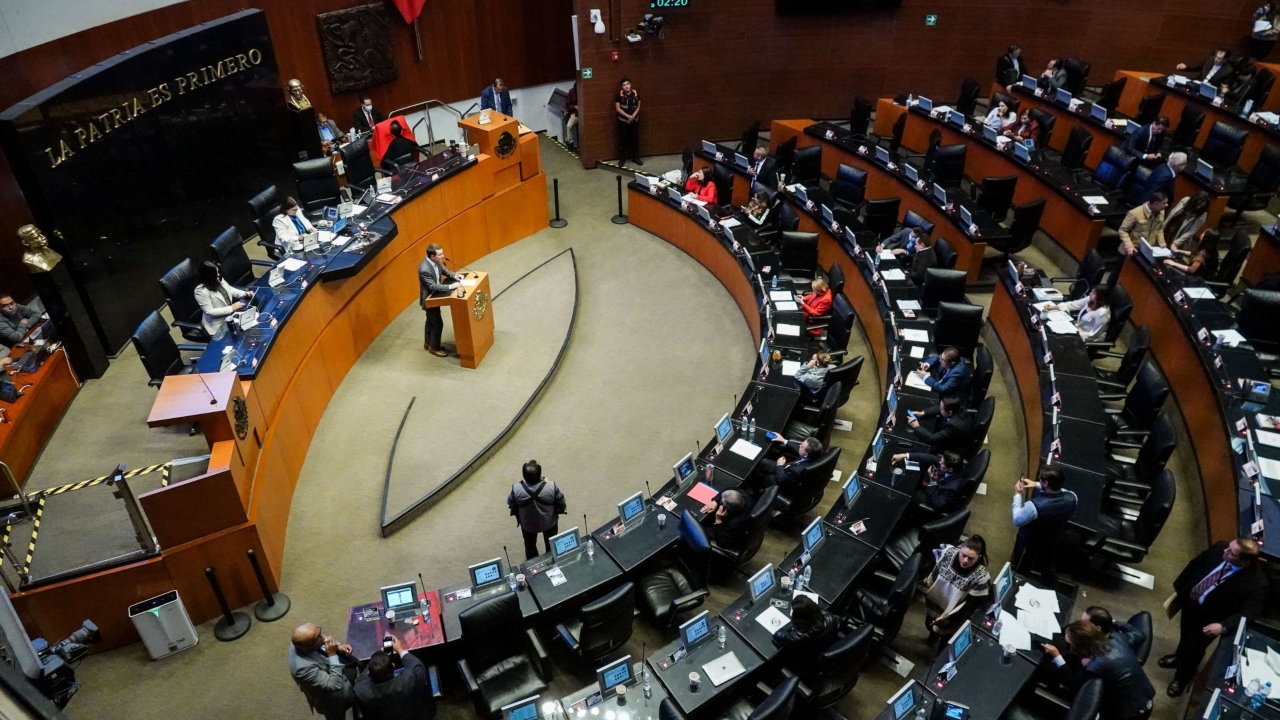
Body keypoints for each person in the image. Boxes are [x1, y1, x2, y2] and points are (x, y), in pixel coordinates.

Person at [1161, 538, 1269, 697]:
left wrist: (1223, 625)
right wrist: (1180, 588)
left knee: (1195, 649)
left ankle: (1182, 678)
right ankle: (1178, 657)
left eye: (1231, 553)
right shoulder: (1221, 548)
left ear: (1244, 562)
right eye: (1229, 548)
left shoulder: (1256, 584)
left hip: (1210, 620)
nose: (1225, 551)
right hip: (1191, 604)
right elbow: (1195, 564)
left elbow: (1248, 614)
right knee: (1185, 634)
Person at [1043, 621, 1156, 720]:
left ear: (1079, 646)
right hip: (1147, 699)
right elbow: (1139, 634)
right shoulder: (1117, 638)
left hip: (1129, 714)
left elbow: (1072, 683)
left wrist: (1057, 656)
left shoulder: (1095, 667)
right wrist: (1112, 621)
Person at [1011, 467, 1078, 583]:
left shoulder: (1034, 506)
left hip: (1028, 543)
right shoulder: (1072, 498)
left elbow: (1017, 519)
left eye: (1041, 480)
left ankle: (1018, 585)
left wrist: (1017, 495)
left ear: (1046, 483)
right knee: (1047, 569)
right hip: (1051, 540)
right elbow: (1064, 491)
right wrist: (1037, 484)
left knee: (1020, 569)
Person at [922, 535, 991, 642]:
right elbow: (935, 566)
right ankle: (931, 639)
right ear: (959, 550)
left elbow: (970, 604)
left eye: (971, 558)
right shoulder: (948, 553)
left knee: (946, 638)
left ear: (979, 557)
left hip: (954, 614)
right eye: (963, 555)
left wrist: (950, 618)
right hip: (936, 603)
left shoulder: (981, 577)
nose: (965, 560)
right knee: (930, 626)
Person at [354, 638, 434, 720]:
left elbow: (363, 678)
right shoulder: (408, 680)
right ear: (393, 665)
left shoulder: (361, 691)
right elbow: (419, 667)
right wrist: (400, 650)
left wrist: (376, 661)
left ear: (369, 673)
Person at [288, 623, 356, 720]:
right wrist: (332, 654)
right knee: (337, 715)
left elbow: (321, 639)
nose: (323, 638)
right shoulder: (302, 670)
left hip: (333, 667)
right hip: (332, 697)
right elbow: (334, 684)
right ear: (305, 647)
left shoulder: (307, 639)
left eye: (319, 632)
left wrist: (338, 646)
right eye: (318, 637)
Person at [507, 459, 567, 559]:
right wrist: (547, 483)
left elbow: (510, 502)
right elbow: (562, 501)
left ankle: (532, 565)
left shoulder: (516, 489)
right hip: (549, 523)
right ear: (540, 475)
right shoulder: (551, 486)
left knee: (530, 547)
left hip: (528, 525)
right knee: (551, 546)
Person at [771, 595, 842, 677]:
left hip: (806, 663)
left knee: (777, 658)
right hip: (823, 651)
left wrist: (793, 623)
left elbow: (777, 635)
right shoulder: (831, 618)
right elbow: (839, 621)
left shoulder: (800, 635)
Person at [892, 449, 968, 515]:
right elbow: (928, 458)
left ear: (950, 469)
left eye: (942, 463)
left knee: (911, 494)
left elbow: (937, 504)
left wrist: (932, 482)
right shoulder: (952, 467)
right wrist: (904, 455)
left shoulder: (952, 488)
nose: (940, 462)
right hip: (936, 485)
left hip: (934, 500)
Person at [193, 261, 252, 341]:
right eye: (215, 273)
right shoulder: (200, 291)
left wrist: (243, 293)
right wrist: (231, 308)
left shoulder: (217, 279)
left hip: (231, 316)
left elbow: (229, 289)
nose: (218, 275)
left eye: (217, 272)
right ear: (208, 276)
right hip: (218, 326)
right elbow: (209, 311)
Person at [418, 243, 459, 357]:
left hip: (436, 296)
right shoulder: (424, 269)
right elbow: (433, 286)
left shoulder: (435, 262)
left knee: (430, 320)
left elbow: (444, 271)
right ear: (432, 256)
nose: (442, 256)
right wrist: (451, 286)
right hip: (429, 299)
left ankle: (428, 342)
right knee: (437, 324)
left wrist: (455, 276)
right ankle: (434, 348)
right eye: (440, 254)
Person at [906, 395, 976, 454]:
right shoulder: (958, 407)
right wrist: (922, 413)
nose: (940, 409)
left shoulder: (953, 426)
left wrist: (917, 427)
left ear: (950, 413)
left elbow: (932, 439)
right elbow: (940, 408)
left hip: (950, 449)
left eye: (942, 409)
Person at [1117, 192, 1168, 257]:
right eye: (1164, 203)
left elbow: (1159, 229)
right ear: (1155, 204)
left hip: (1148, 250)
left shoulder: (1161, 212)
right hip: (1132, 249)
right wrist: (1129, 246)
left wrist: (1161, 241)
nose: (1167, 205)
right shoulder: (1135, 213)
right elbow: (1123, 231)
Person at [1082, 606, 1146, 656]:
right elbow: (1138, 634)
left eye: (1083, 623)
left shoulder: (1102, 650)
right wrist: (1113, 622)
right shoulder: (1119, 635)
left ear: (1098, 628)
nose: (1080, 624)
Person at [615, 78, 642, 166]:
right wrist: (628, 116)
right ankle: (622, 159)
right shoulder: (619, 95)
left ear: (630, 85)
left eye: (627, 84)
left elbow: (638, 106)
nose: (626, 86)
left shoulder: (636, 94)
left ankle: (636, 158)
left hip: (634, 121)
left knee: (635, 140)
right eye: (624, 85)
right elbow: (618, 108)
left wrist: (633, 116)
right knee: (622, 141)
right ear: (622, 87)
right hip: (623, 122)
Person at [563, 82, 579, 151]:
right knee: (568, 126)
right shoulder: (571, 92)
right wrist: (574, 107)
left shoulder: (583, 92)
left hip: (584, 115)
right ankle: (571, 142)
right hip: (575, 114)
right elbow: (568, 105)